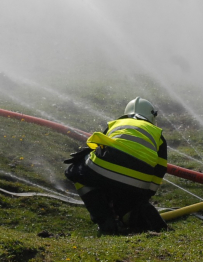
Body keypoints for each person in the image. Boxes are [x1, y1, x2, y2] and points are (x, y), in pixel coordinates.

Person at [64, 97, 168, 235]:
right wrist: (146, 195)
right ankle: (127, 216)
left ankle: (104, 220)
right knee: (127, 199)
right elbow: (160, 169)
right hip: (138, 181)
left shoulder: (116, 124)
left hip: (103, 169)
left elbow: (99, 146)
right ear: (151, 116)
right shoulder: (157, 134)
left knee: (75, 172)